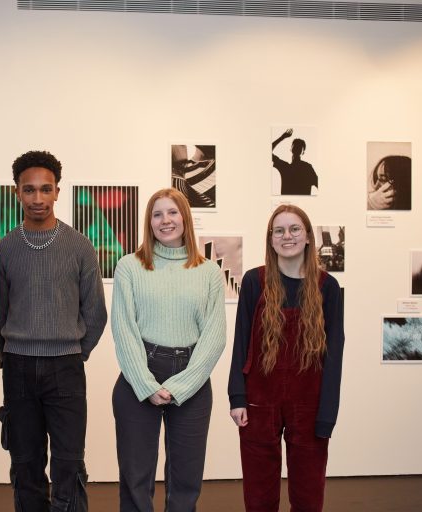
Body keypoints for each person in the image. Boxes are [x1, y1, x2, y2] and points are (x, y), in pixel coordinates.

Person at [0, 150, 108, 511]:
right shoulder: (4, 249)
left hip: (66, 369)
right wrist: (8, 357)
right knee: (25, 464)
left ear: (59, 191)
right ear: (17, 193)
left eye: (46, 189)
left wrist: (74, 353)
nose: (38, 198)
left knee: (69, 464)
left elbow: (96, 313)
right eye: (29, 190)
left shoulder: (80, 246)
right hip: (18, 368)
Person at [111, 188, 227, 511]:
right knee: (136, 477)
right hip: (139, 375)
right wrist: (146, 385)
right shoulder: (129, 267)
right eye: (157, 214)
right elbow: (124, 331)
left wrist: (181, 387)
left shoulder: (208, 272)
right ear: (149, 222)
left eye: (172, 212)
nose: (166, 220)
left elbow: (214, 337)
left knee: (186, 479)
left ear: (185, 218)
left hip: (192, 376)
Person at [228, 204, 344, 512]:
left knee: (308, 496)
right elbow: (241, 341)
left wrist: (328, 412)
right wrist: (237, 396)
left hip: (310, 403)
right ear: (270, 238)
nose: (287, 236)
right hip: (258, 401)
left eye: (294, 229)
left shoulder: (328, 288)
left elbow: (335, 354)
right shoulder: (255, 282)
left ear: (307, 237)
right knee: (259, 496)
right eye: (279, 230)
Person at [272, 128, 318, 195]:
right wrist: (282, 137)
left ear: (303, 152)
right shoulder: (285, 166)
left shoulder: (307, 168)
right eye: (296, 146)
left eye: (300, 147)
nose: (297, 147)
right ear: (291, 149)